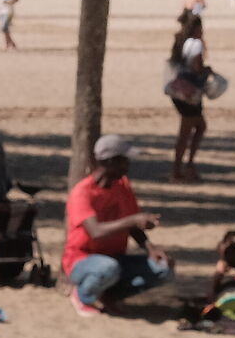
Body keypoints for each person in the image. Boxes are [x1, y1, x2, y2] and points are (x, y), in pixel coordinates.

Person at [63, 134, 175, 317]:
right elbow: (95, 231)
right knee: (108, 268)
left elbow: (133, 224)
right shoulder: (82, 192)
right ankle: (83, 295)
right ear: (110, 162)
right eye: (124, 160)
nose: (128, 165)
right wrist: (133, 220)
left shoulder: (122, 186)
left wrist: (150, 248)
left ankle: (109, 296)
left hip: (115, 258)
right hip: (82, 260)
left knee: (164, 269)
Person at [165, 13, 212, 182]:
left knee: (198, 126)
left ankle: (187, 166)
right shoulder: (195, 44)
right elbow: (196, 67)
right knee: (187, 132)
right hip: (190, 93)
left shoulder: (181, 42)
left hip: (180, 90)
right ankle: (179, 170)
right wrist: (207, 71)